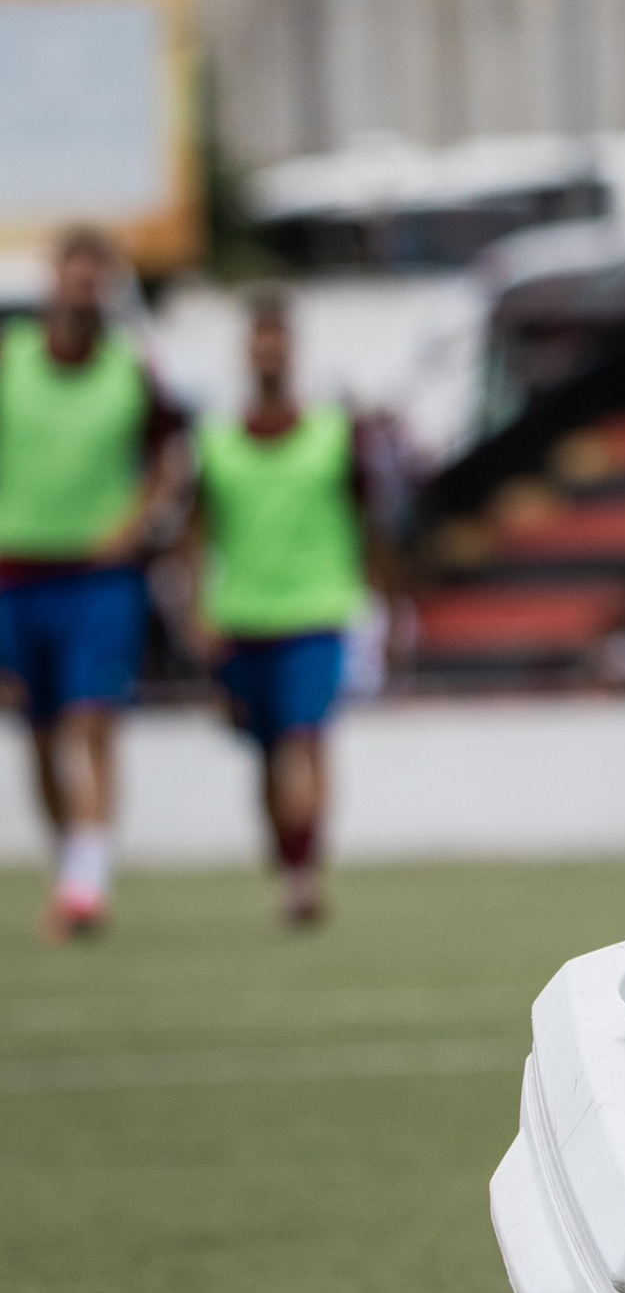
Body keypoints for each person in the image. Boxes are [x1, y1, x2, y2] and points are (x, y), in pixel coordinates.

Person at [0, 229, 189, 941]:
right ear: (52, 284)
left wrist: (137, 523)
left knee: (94, 721)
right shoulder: (10, 361)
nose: (81, 293)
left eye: (93, 281)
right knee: (41, 734)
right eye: (71, 279)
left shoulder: (131, 372)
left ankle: (88, 883)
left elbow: (173, 459)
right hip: (16, 574)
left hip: (102, 576)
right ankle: (73, 864)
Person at [187, 291, 383, 929]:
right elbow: (196, 530)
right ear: (247, 351)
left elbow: (367, 516)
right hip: (243, 615)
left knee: (306, 740)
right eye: (258, 339)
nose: (268, 351)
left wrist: (379, 595)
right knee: (271, 755)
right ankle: (289, 858)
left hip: (318, 610)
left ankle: (305, 873)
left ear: (291, 349)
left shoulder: (332, 432)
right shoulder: (215, 440)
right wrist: (197, 606)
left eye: (278, 338)